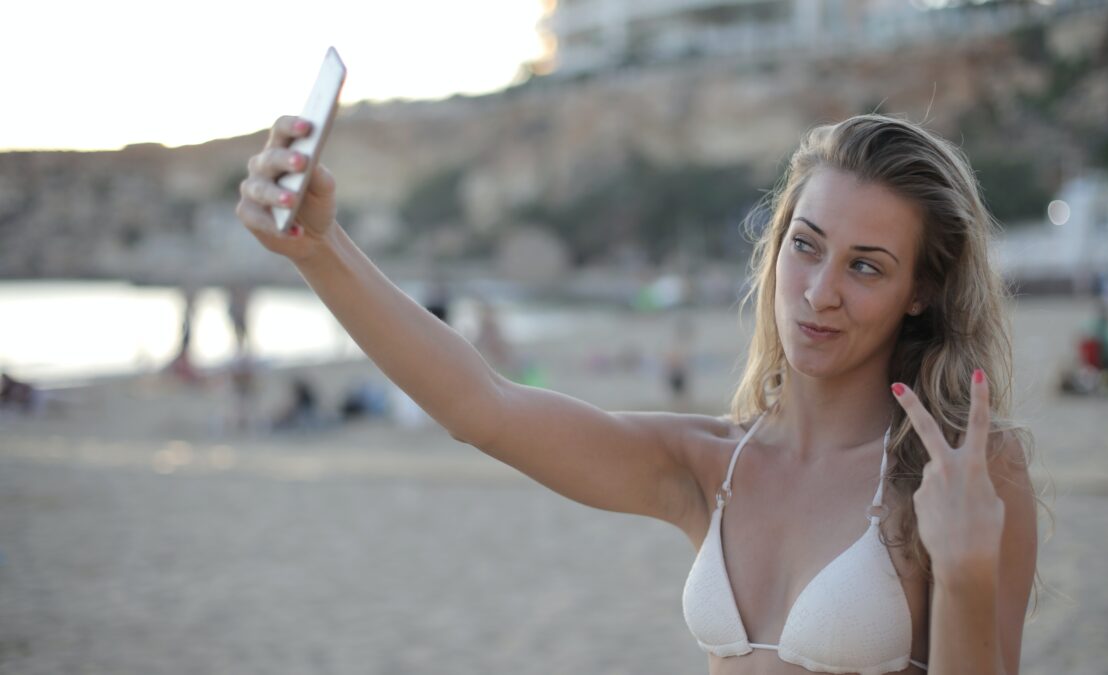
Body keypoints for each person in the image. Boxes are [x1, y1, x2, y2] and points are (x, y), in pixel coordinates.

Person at [237, 113, 1041, 673]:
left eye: (866, 265)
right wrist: (319, 249)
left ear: (921, 289)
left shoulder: (960, 476)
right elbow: (481, 404)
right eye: (807, 246)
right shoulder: (709, 464)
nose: (819, 291)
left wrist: (966, 570)